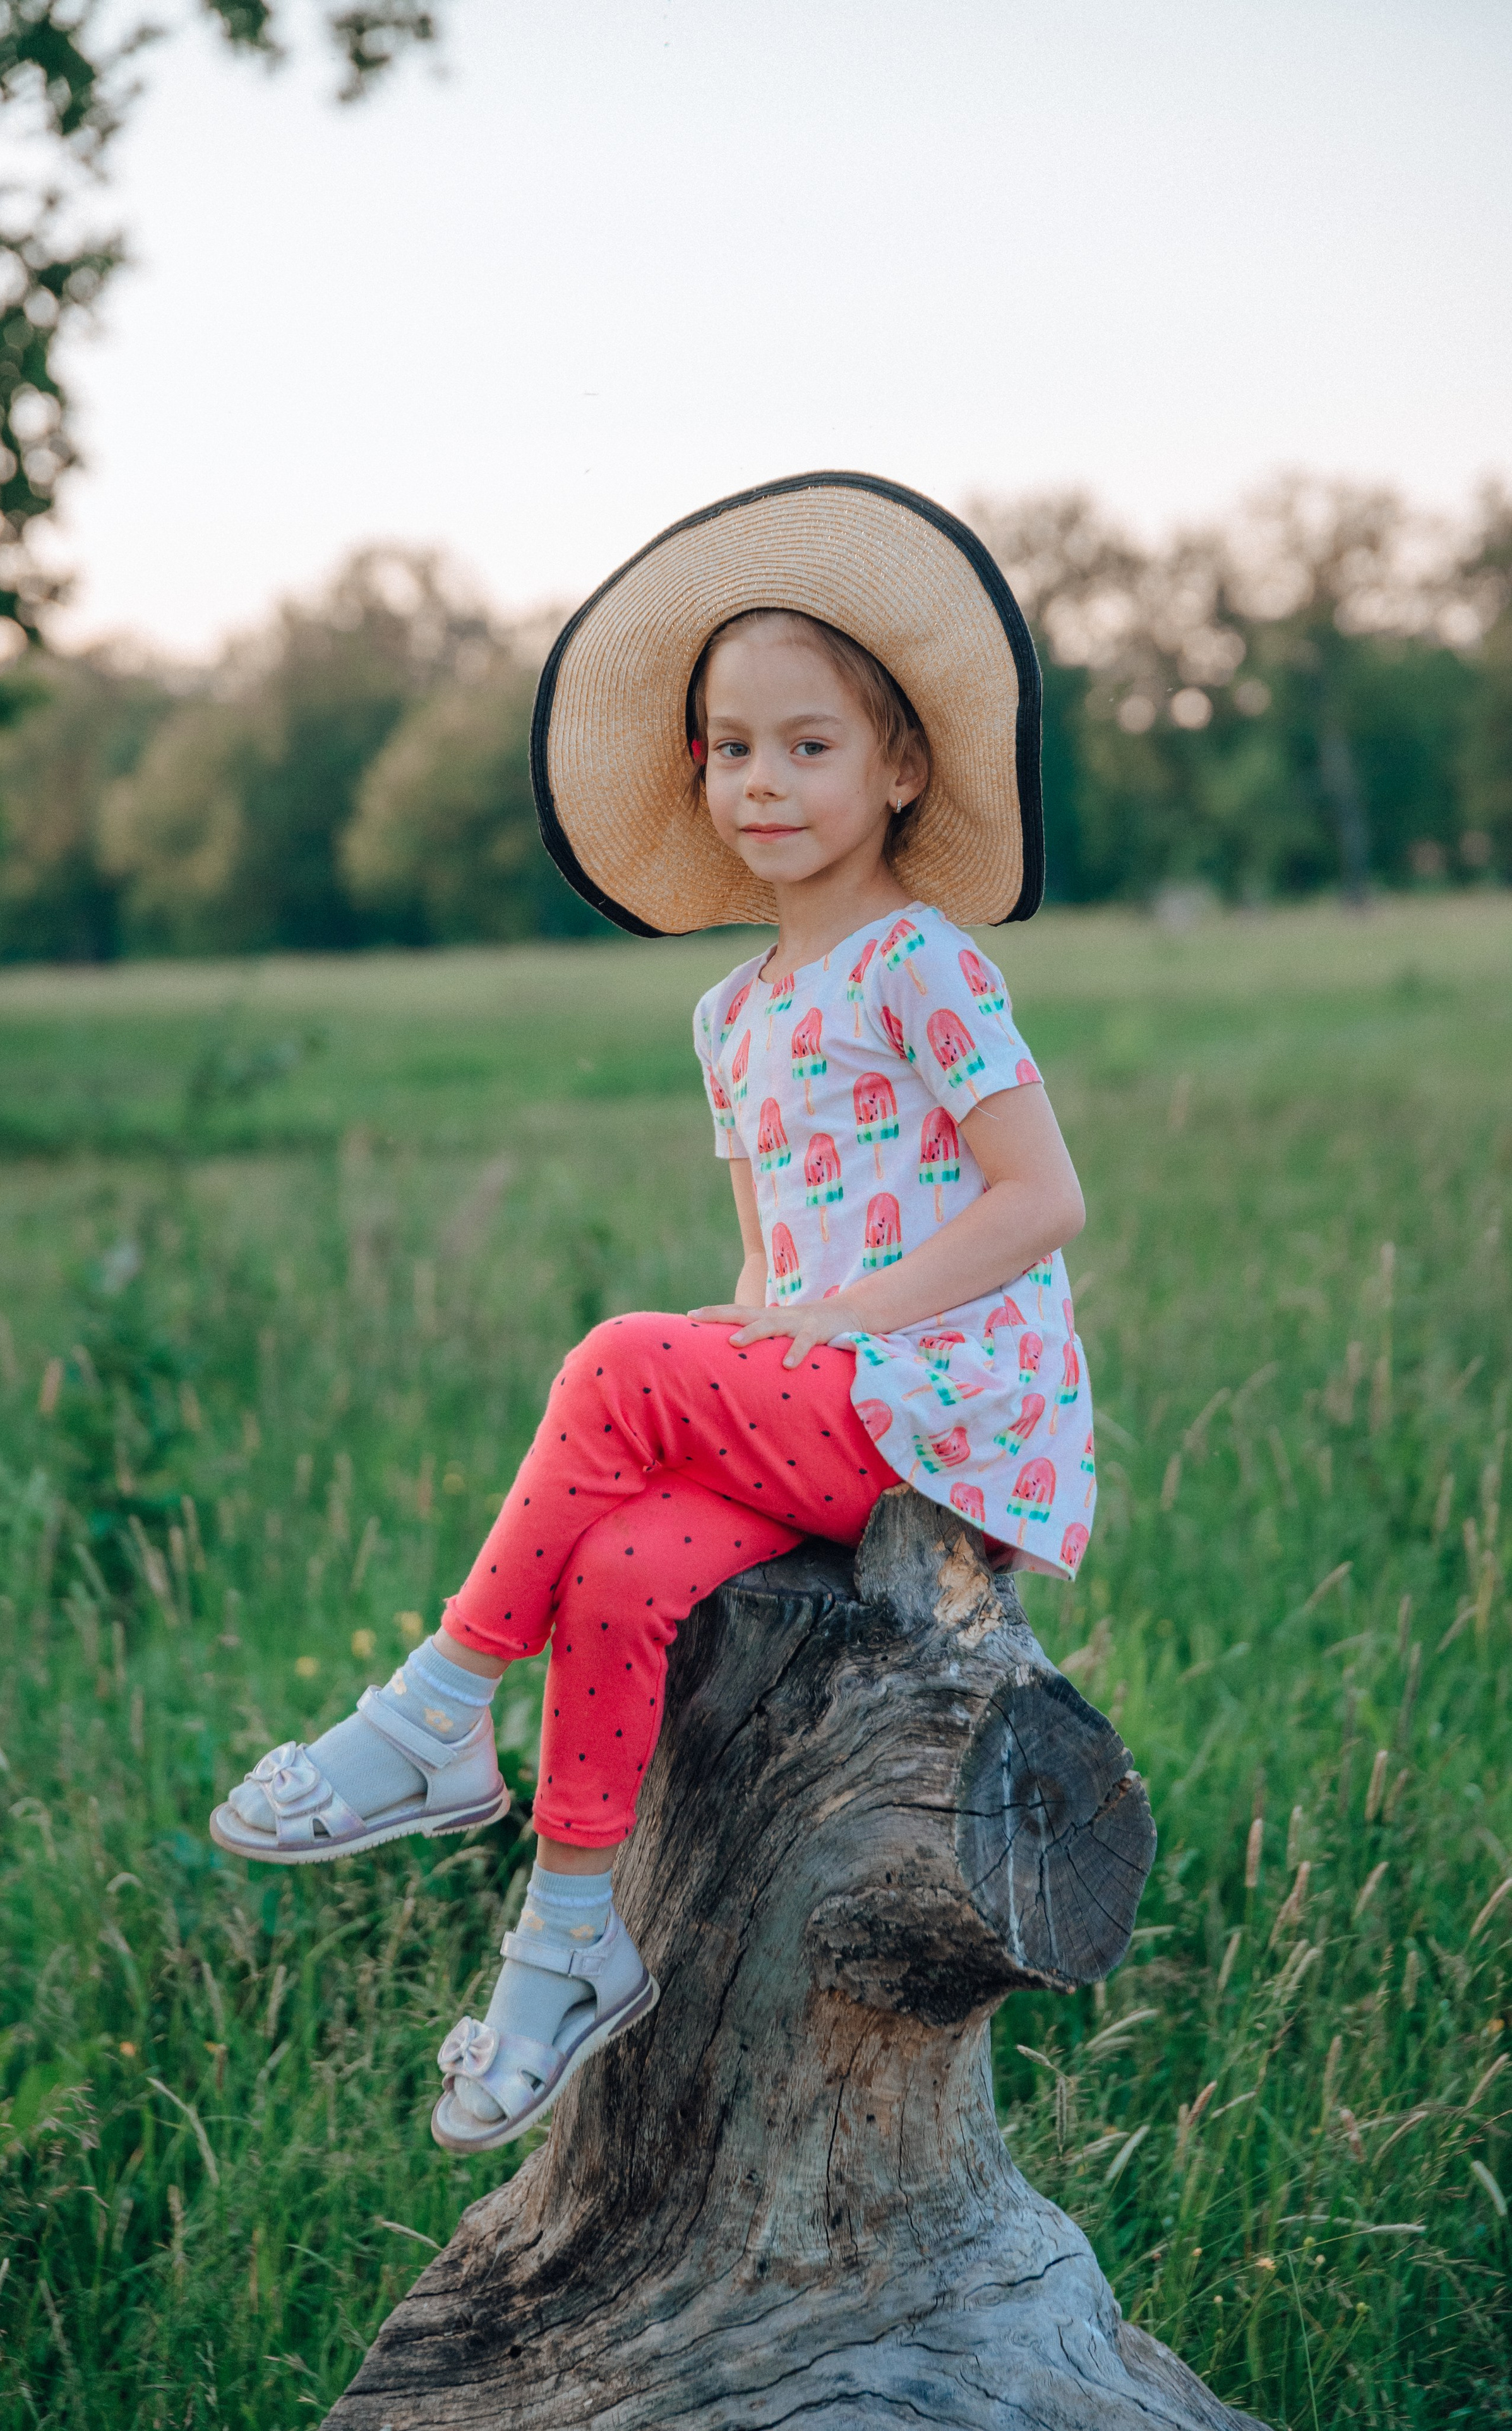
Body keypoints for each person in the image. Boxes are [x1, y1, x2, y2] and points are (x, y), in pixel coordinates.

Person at [209, 473, 1095, 2154]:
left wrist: (833, 1321)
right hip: (828, 1397)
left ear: (900, 767)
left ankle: (428, 1715)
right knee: (619, 1571)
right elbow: (770, 1253)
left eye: (810, 744)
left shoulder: (924, 964)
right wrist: (773, 1327)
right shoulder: (728, 1013)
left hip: (938, 1414)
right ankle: (564, 1942)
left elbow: (1040, 1199)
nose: (763, 779)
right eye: (732, 745)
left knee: (620, 1353)